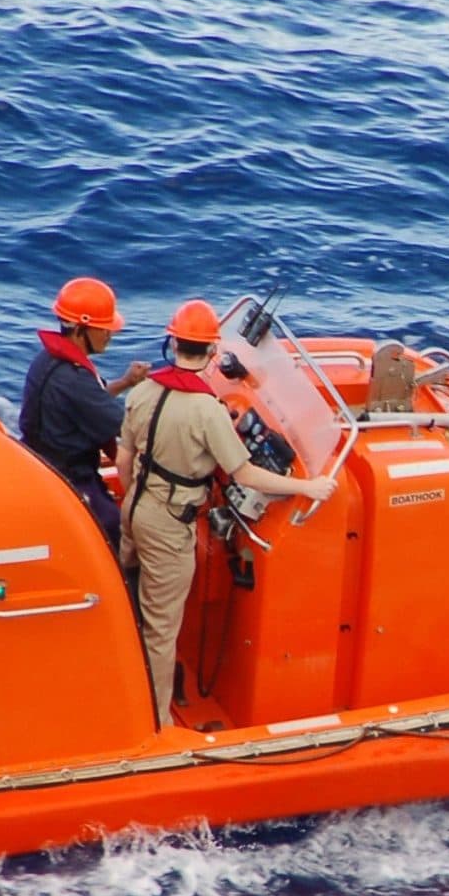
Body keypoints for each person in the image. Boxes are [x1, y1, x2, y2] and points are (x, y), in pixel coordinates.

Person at [118, 299, 336, 727]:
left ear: (172, 342)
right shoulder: (207, 410)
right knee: (160, 630)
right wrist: (308, 486)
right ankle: (155, 726)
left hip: (135, 508)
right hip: (169, 525)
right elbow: (247, 473)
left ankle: (124, 685)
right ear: (213, 352)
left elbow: (125, 459)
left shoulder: (142, 390)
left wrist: (134, 502)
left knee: (132, 601)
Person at [21, 276, 149, 549]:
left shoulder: (48, 360)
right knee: (116, 529)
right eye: (104, 328)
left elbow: (94, 397)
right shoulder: (75, 380)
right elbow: (126, 427)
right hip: (68, 477)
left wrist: (126, 383)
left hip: (38, 463)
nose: (110, 334)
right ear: (81, 329)